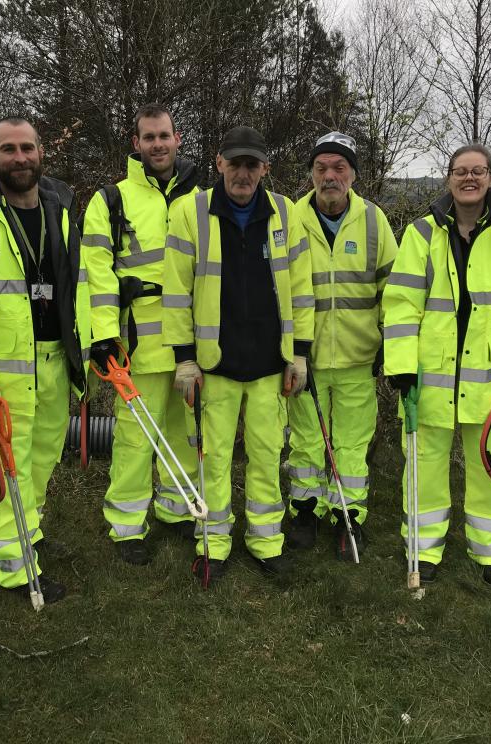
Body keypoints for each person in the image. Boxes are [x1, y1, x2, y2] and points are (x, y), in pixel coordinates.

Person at [382, 143, 491, 588]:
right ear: (448, 177)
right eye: (460, 171)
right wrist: (401, 365)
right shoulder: (420, 232)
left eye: (478, 171)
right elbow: (401, 304)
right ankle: (423, 549)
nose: (469, 178)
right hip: (429, 374)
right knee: (425, 464)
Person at [162, 125, 314, 583]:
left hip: (271, 365)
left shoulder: (286, 213)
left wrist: (300, 355)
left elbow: (303, 292)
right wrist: (184, 359)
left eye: (252, 164)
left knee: (269, 456)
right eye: (235, 162)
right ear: (218, 162)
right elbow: (176, 291)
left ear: (265, 169)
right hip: (216, 365)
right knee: (215, 458)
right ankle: (214, 543)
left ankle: (267, 542)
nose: (243, 173)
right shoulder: (190, 212)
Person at [0, 117, 89, 603]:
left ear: (41, 151)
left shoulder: (62, 212)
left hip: (54, 362)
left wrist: (83, 353)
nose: (20, 157)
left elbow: (78, 288)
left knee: (44, 458)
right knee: (9, 468)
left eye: (27, 147)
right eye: (8, 149)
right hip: (4, 375)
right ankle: (16, 567)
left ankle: (31, 533)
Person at [82, 103, 200, 565]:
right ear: (136, 143)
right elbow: (96, 274)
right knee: (134, 439)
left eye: (164, 136)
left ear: (177, 139)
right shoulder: (111, 200)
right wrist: (105, 336)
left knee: (185, 430)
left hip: (190, 345)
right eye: (148, 137)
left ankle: (176, 509)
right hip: (137, 347)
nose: (157, 144)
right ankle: (127, 525)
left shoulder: (199, 199)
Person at [284, 132, 397, 558]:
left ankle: (349, 516)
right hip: (303, 358)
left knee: (350, 443)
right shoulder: (291, 219)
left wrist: (392, 343)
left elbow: (394, 288)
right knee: (306, 440)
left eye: (339, 168)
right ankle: (305, 512)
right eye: (321, 168)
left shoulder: (374, 221)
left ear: (353, 173)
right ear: (311, 173)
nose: (329, 176)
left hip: (357, 357)